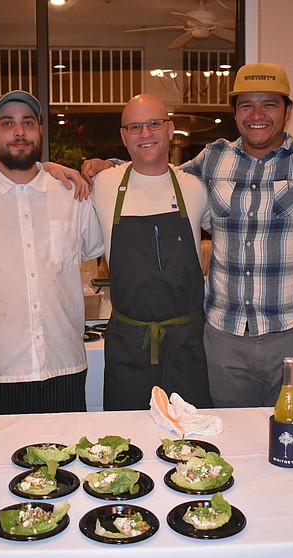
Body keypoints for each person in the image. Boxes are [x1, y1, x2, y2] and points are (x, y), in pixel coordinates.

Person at [83, 62, 293, 408]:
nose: (257, 114)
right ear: (235, 113)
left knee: (289, 436)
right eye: (246, 105)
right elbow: (153, 171)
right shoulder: (213, 158)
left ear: (287, 111)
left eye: (269, 104)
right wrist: (103, 166)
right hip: (222, 337)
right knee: (228, 438)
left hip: (290, 335)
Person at [0, 90, 104, 415]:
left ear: (40, 131)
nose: (19, 132)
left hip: (63, 366)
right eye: (7, 123)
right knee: (1, 463)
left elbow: (99, 247)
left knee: (68, 462)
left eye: (28, 122)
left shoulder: (72, 195)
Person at [91, 94, 211, 410]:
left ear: (170, 129)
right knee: (126, 441)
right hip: (128, 345)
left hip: (187, 344)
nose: (145, 134)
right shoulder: (102, 184)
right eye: (135, 126)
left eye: (154, 124)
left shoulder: (195, 187)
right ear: (123, 136)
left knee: (192, 439)